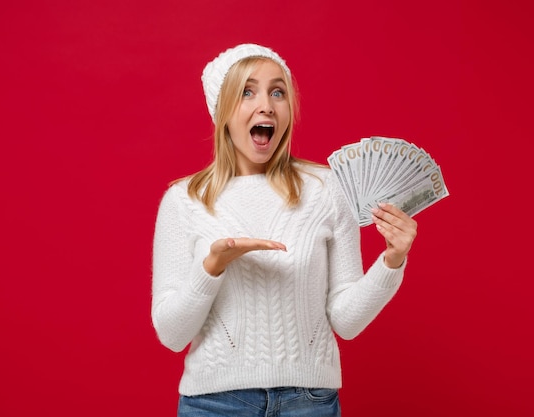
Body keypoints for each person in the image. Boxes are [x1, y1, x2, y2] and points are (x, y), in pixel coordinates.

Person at [151, 43, 418, 416]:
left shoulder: (327, 189)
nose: (267, 105)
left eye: (278, 92)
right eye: (248, 91)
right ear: (222, 110)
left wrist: (392, 260)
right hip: (214, 405)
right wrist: (211, 267)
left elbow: (346, 321)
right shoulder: (184, 201)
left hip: (309, 404)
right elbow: (172, 334)